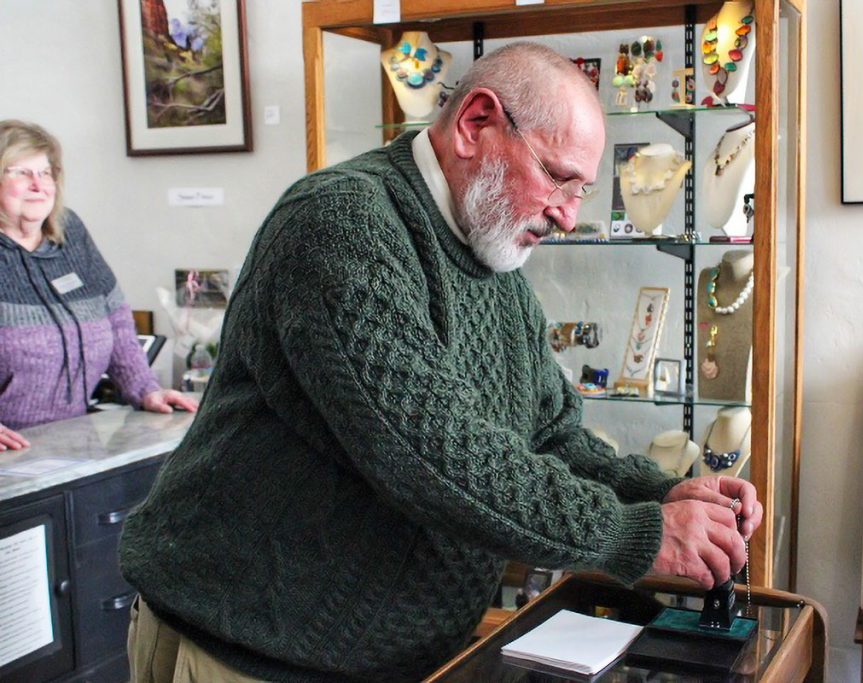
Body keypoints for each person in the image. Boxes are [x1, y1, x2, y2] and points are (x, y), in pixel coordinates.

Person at [119, 43, 764, 683]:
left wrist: (662, 493)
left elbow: (553, 437)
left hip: (395, 659)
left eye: (582, 191)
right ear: (475, 123)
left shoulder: (496, 264)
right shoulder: (340, 222)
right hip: (243, 651)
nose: (569, 215)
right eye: (557, 177)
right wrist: (636, 532)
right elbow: (435, 454)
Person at [0, 120, 196, 451]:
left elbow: (117, 323)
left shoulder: (70, 231)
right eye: (20, 172)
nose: (38, 185)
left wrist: (145, 388)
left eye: (46, 173)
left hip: (75, 440)